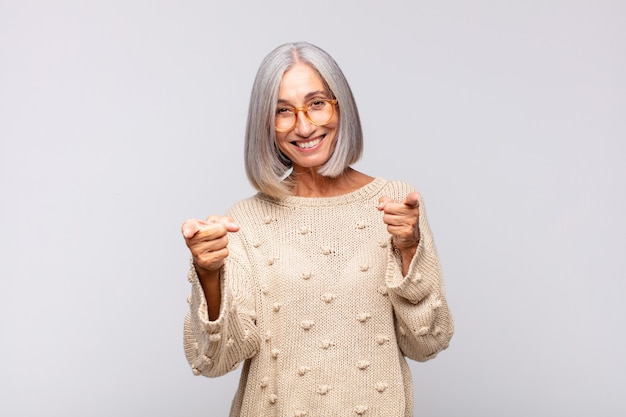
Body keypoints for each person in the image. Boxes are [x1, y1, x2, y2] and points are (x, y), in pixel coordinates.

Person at [181, 41, 453, 417]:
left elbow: (428, 342)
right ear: (266, 124)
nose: (304, 125)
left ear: (341, 106)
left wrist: (410, 249)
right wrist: (209, 275)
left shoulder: (396, 203)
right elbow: (214, 360)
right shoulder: (245, 220)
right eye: (283, 111)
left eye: (317, 103)